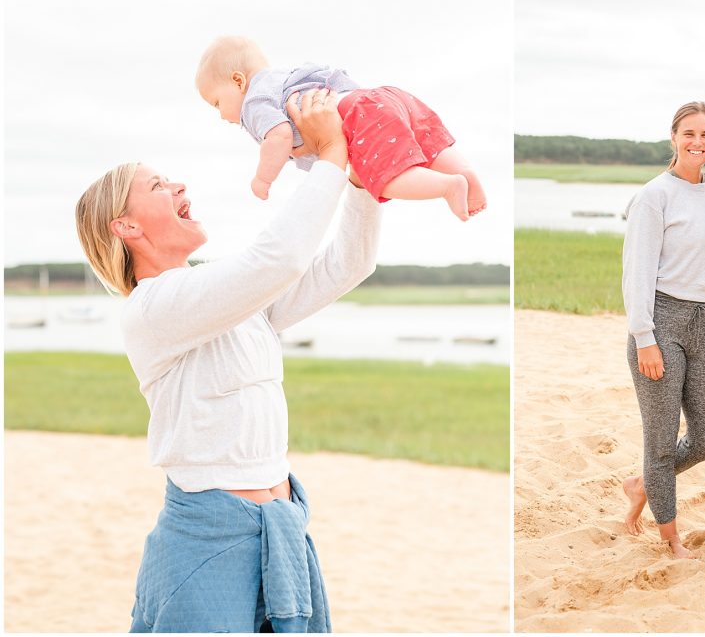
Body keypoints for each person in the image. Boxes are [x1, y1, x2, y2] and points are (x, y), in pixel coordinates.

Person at [75, 89, 381, 632]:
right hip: (207, 541)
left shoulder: (226, 301)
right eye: (157, 185)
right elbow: (280, 258)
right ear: (126, 227)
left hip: (281, 529)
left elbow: (349, 264)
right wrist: (330, 153)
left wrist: (358, 180)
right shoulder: (152, 309)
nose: (179, 186)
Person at [195, 35, 486, 219]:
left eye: (217, 103)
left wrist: (263, 179)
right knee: (429, 146)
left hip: (358, 116)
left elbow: (279, 136)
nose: (221, 115)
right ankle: (464, 173)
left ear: (238, 81)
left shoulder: (255, 101)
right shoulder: (288, 77)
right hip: (382, 98)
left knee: (385, 177)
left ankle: (448, 185)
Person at [620, 101, 705, 559]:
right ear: (673, 137)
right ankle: (671, 539)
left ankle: (642, 483)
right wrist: (644, 336)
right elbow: (637, 271)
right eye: (689, 133)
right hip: (661, 323)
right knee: (661, 440)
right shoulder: (653, 195)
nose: (697, 142)